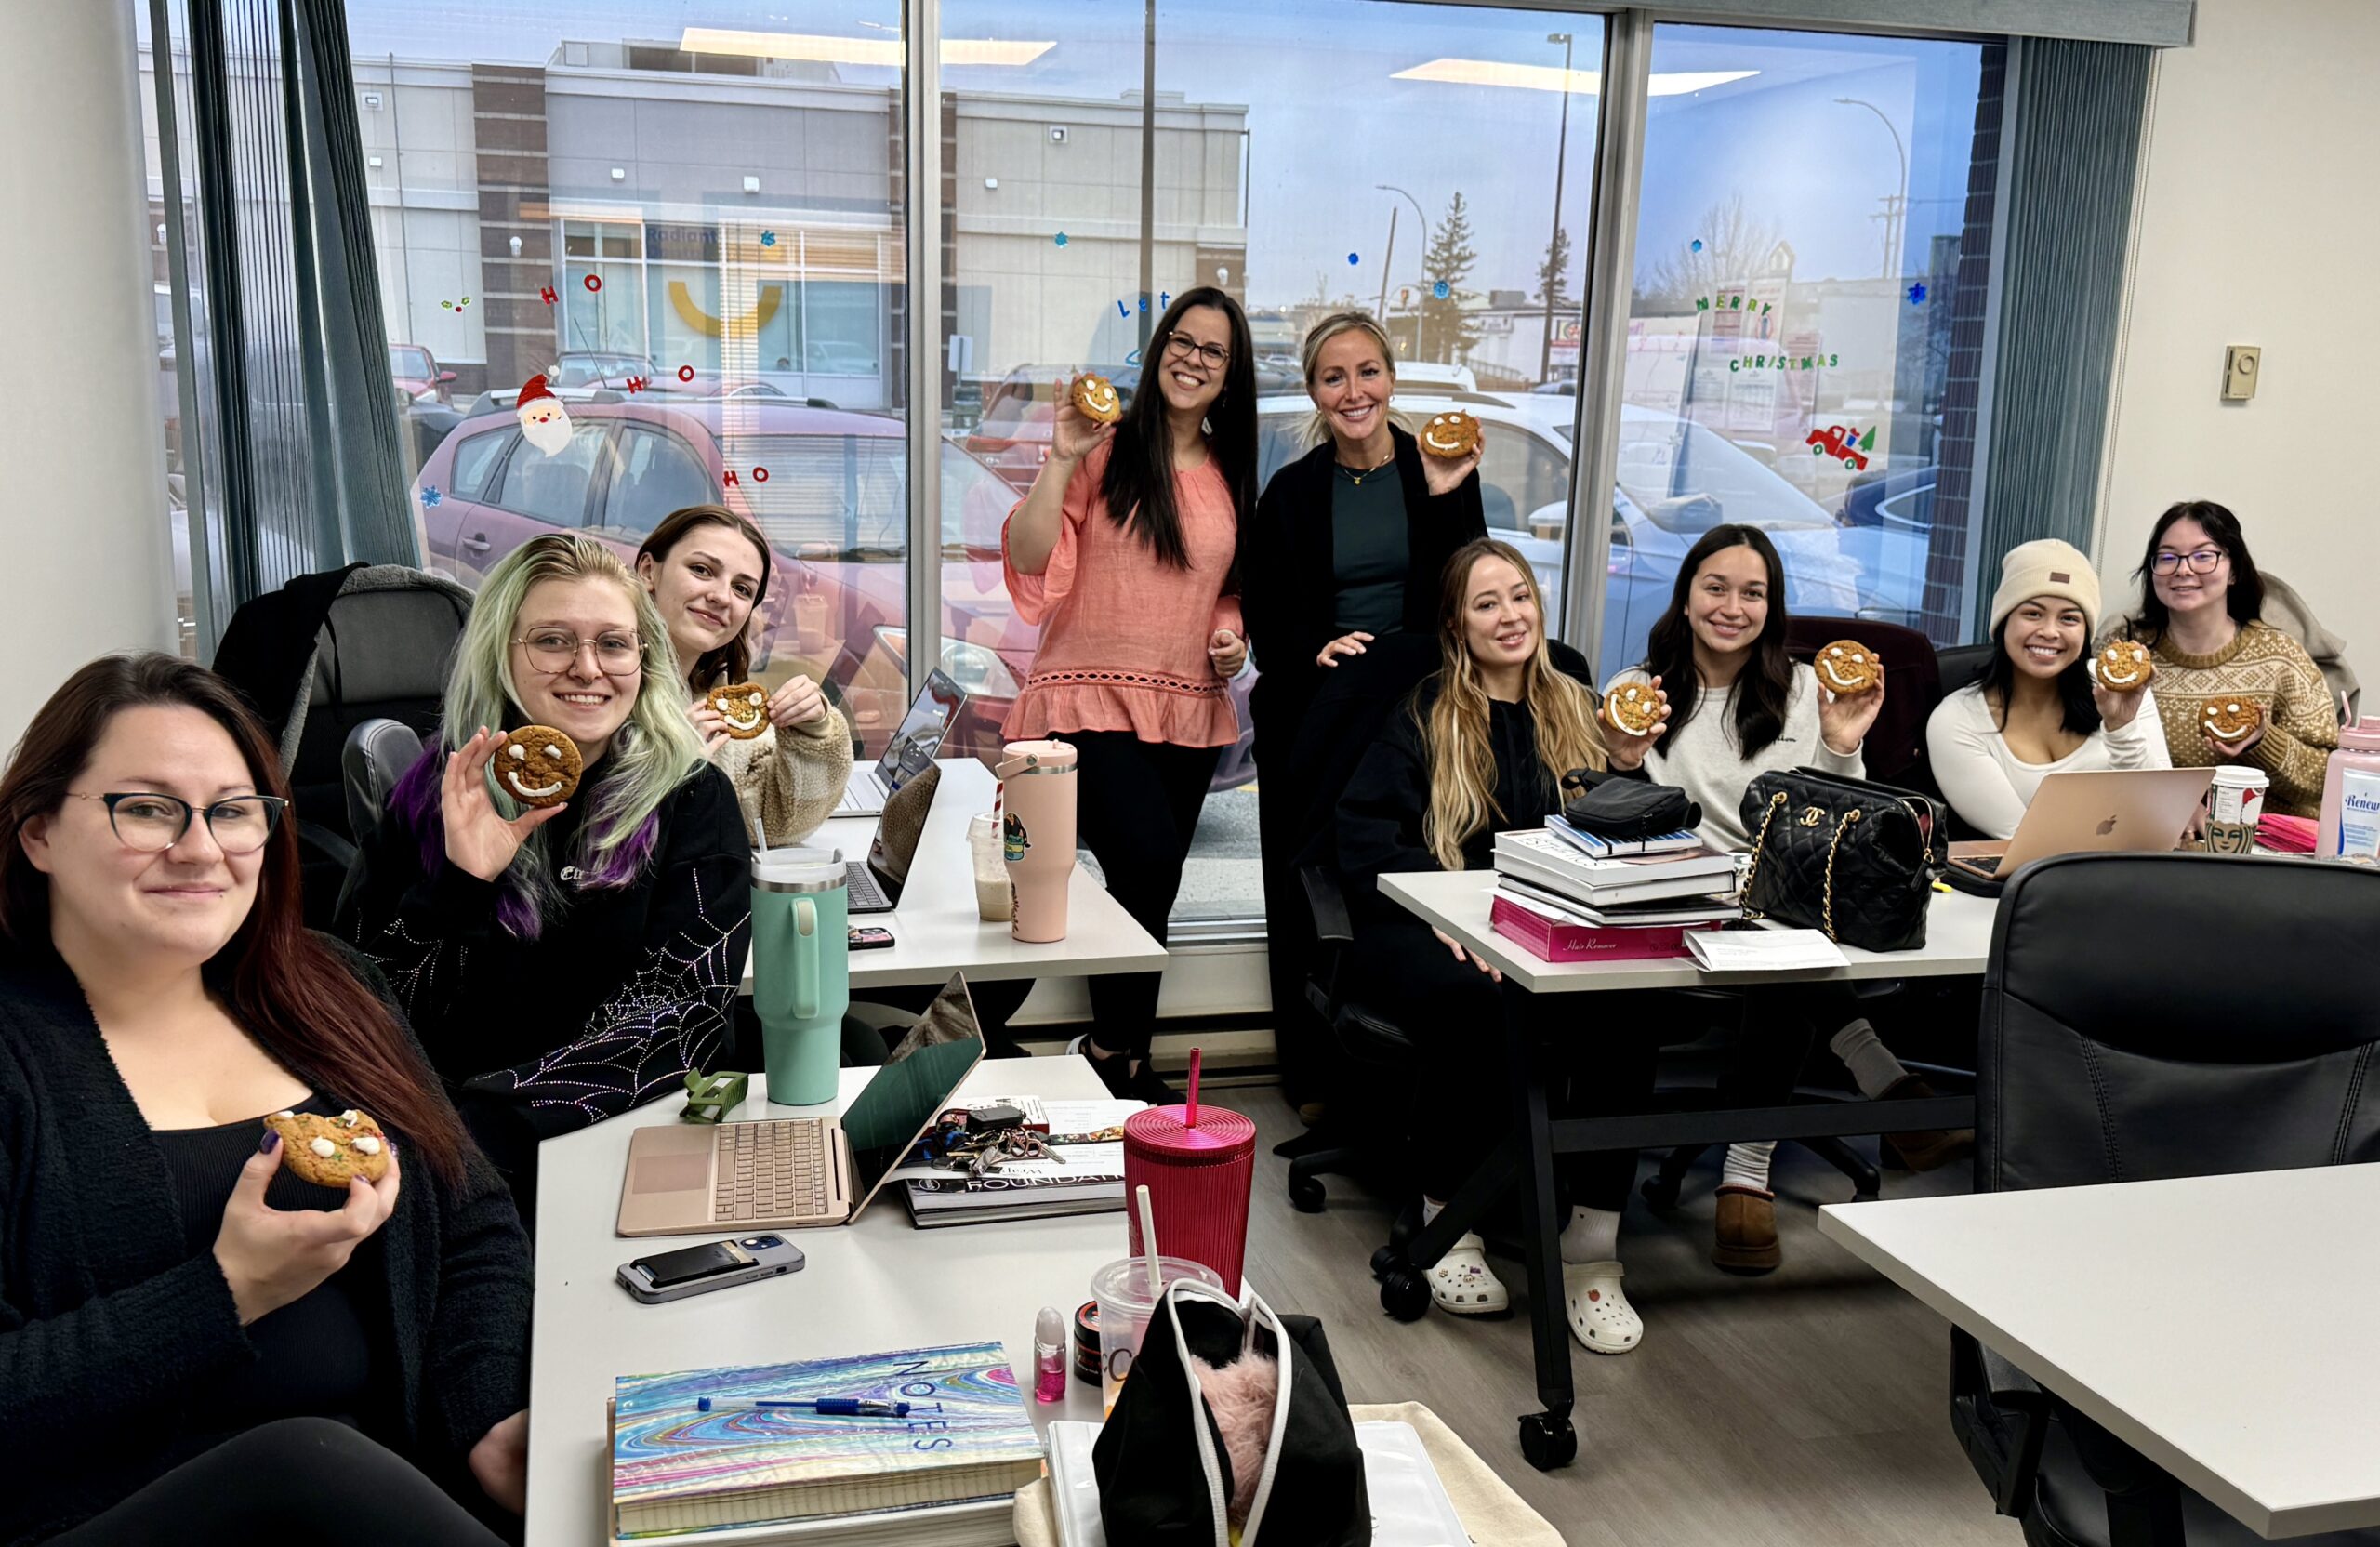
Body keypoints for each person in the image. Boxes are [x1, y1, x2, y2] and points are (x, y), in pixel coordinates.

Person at [0, 654, 530, 1546]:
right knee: (306, 1464)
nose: (201, 848)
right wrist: (227, 1290)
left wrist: (487, 1421)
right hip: (105, 1513)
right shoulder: (17, 1060)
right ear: (39, 831)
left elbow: (471, 1220)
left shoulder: (324, 986)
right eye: (147, 808)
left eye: (233, 811)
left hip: (390, 1496)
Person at [339, 534, 753, 1216]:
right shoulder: (434, 793)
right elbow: (365, 1008)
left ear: (641, 660)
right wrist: (461, 884)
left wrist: (487, 1121)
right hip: (443, 1157)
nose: (588, 668)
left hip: (624, 1142)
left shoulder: (689, 798)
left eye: (613, 644)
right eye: (553, 640)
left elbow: (685, 1013)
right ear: (503, 652)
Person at [1338, 539, 1670, 1354]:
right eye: (1486, 603)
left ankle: (1591, 1248)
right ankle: (1449, 1220)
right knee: (1477, 1002)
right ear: (1458, 623)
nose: (1510, 616)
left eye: (1519, 596)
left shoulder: (1583, 708)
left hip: (1552, 923)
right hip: (1429, 921)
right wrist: (1458, 918)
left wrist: (1625, 767)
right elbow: (1363, 841)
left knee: (1632, 1004)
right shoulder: (1423, 713)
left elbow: (1625, 841)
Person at [1615, 525, 1966, 1273]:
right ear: (1684, 598)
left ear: (1772, 609)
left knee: (1783, 946)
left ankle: (1749, 1163)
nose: (1732, 607)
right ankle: (1876, 1092)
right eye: (1715, 587)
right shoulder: (1640, 692)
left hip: (1797, 892)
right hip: (1685, 896)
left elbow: (1844, 817)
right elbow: (1614, 815)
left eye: (1753, 593)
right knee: (1779, 948)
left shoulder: (1807, 688)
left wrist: (1841, 742)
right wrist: (1617, 762)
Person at [1002, 287, 1256, 1103]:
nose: (1193, 359)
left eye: (1213, 350)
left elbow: (1228, 588)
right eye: (1181, 341)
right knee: (1139, 859)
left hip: (1187, 705)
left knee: (1153, 891)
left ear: (1231, 372)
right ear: (1159, 350)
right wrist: (1063, 456)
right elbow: (1033, 552)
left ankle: (1119, 1060)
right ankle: (1102, 1049)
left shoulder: (1231, 471)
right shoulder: (1106, 448)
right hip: (1084, 698)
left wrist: (1232, 638)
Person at [1238, 311, 1487, 1109]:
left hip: (1418, 706)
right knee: (1308, 887)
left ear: (1391, 379)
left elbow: (1471, 595)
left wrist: (1449, 497)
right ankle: (1314, 1075)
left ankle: (1413, 1075)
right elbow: (1266, 613)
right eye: (1334, 376)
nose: (1354, 391)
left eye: (1368, 372)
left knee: (1413, 877)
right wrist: (1315, 645)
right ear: (1314, 390)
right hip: (1319, 704)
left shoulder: (1436, 468)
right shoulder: (1293, 491)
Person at [634, 504, 853, 845]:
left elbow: (775, 823)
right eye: (702, 570)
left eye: (742, 589)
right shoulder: (603, 692)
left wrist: (815, 732)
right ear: (648, 570)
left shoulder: (711, 697)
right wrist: (675, 770)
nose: (721, 597)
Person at [1928, 539, 2170, 839]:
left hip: (2135, 870)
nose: (2049, 632)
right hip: (2030, 882)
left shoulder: (2121, 690)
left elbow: (2165, 814)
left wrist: (2121, 726)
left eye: (2069, 618)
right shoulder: (1956, 720)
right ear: (2004, 621)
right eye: (2033, 613)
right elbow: (2023, 839)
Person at [2116, 500, 2340, 816]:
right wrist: (2171, 805)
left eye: (2203, 556)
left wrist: (2261, 742)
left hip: (2262, 847)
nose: (2183, 569)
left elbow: (2327, 780)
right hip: (2150, 836)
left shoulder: (2280, 657)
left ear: (2233, 570)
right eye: (2167, 557)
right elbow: (2094, 756)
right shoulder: (2125, 653)